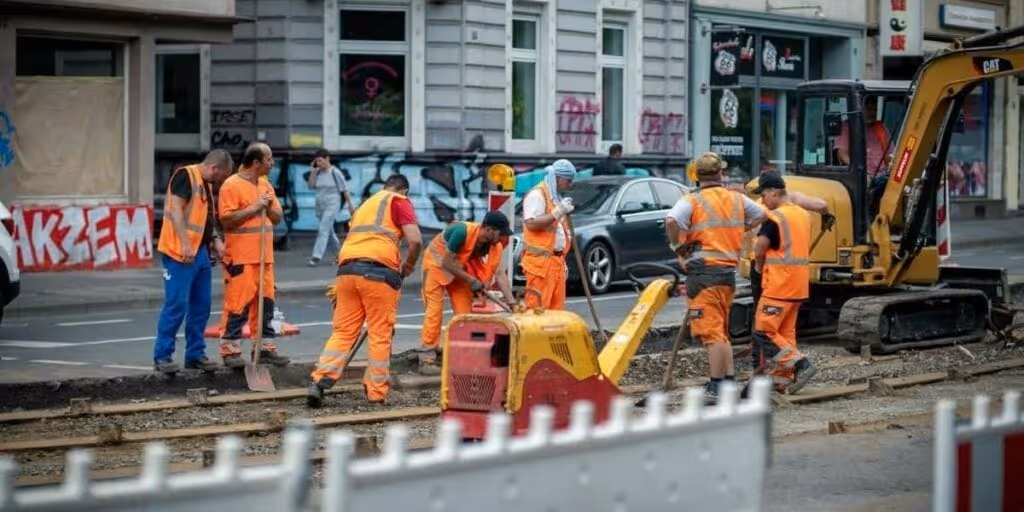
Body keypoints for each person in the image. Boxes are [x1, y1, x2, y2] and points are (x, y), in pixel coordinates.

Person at [307, 174, 423, 407]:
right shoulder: (399, 200)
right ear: (405, 190)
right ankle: (376, 393)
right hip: (378, 273)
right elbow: (416, 240)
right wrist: (408, 265)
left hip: (347, 271)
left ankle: (319, 382)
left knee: (343, 332)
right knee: (380, 334)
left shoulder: (365, 206)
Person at [665, 152, 766, 404]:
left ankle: (716, 386)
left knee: (712, 334)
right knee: (721, 331)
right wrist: (739, 230)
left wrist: (679, 247)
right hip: (726, 274)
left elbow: (670, 221)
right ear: (721, 173)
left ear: (697, 175)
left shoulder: (692, 200)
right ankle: (729, 382)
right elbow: (762, 215)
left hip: (703, 273)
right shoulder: (736, 199)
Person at [152, 149, 234, 374]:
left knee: (201, 306)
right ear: (214, 168)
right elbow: (175, 210)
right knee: (176, 304)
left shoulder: (205, 183)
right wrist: (185, 243)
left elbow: (207, 219)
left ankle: (195, 355)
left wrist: (216, 240)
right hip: (179, 253)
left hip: (199, 254)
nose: (221, 182)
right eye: (221, 176)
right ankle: (162, 356)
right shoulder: (185, 176)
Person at [216, 142, 291, 368]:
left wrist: (267, 207)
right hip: (241, 257)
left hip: (264, 257)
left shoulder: (265, 184)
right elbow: (226, 219)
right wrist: (255, 206)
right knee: (237, 304)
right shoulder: (231, 185)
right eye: (269, 159)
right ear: (256, 163)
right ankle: (230, 351)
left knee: (266, 304)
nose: (273, 163)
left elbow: (277, 217)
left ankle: (265, 348)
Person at [415, 211, 517, 373]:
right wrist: (472, 281)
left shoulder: (494, 245)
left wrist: (512, 302)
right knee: (434, 311)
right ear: (489, 230)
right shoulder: (461, 232)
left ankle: (460, 353)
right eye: (501, 233)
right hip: (435, 266)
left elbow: (499, 274)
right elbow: (447, 262)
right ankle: (427, 357)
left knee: (464, 315)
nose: (503, 238)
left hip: (458, 270)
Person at [751, 172, 818, 394]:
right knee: (785, 334)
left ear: (773, 192)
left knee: (763, 331)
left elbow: (759, 248)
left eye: (763, 195)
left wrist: (759, 266)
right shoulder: (803, 215)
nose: (762, 201)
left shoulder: (775, 218)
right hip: (798, 284)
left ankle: (801, 364)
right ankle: (783, 380)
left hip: (779, 285)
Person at [521, 159, 577, 310]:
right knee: (537, 311)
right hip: (541, 266)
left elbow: (558, 232)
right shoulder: (538, 195)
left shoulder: (554, 197)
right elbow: (531, 223)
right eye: (568, 180)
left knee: (555, 312)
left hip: (555, 263)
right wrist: (558, 212)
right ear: (558, 178)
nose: (570, 185)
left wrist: (562, 259)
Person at [306, 149, 355, 267]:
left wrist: (350, 205)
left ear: (327, 159)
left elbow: (344, 190)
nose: (318, 163)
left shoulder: (335, 172)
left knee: (323, 228)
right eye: (316, 161)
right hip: (320, 204)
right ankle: (340, 255)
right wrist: (312, 171)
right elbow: (311, 186)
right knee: (329, 230)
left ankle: (316, 257)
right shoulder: (317, 173)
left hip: (333, 203)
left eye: (320, 160)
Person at [834, 95, 891, 181]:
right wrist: (860, 172)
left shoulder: (881, 128)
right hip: (860, 178)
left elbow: (890, 155)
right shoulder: (847, 127)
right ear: (859, 109)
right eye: (869, 109)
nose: (872, 113)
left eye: (875, 109)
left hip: (882, 177)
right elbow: (842, 154)